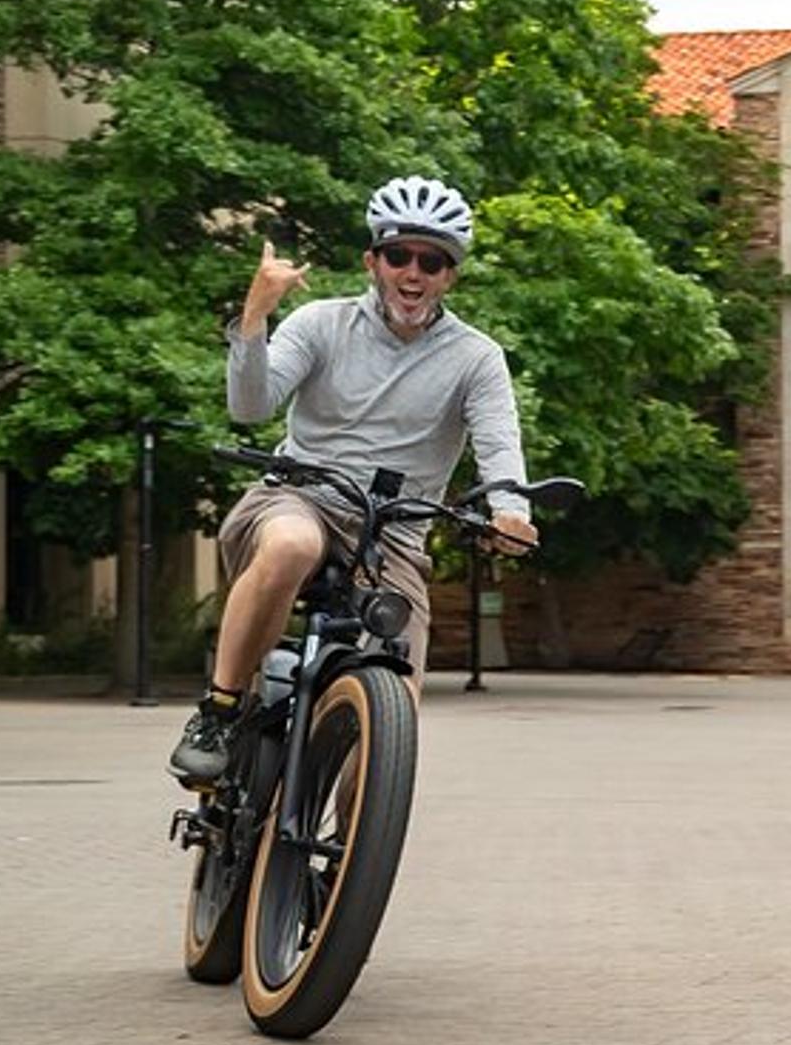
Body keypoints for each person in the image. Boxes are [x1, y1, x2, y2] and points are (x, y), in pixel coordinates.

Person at [168, 176, 537, 786]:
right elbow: (251, 406)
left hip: (392, 535)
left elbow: (500, 447)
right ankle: (220, 708)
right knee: (292, 546)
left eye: (432, 260)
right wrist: (256, 315)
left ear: (451, 276)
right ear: (373, 261)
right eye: (399, 255)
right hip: (301, 495)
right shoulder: (320, 324)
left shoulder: (476, 357)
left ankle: (338, 866)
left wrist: (510, 511)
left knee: (391, 737)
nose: (413, 273)